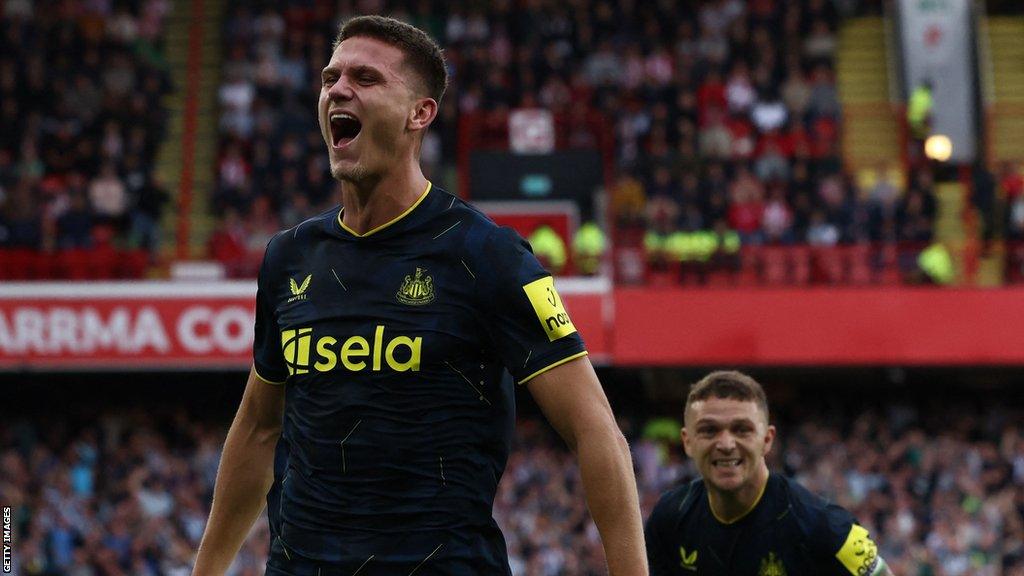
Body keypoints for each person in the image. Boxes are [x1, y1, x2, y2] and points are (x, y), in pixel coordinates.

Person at [192, 15, 646, 576]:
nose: (338, 89)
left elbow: (594, 428)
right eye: (330, 76)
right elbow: (260, 427)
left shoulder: (487, 255)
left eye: (365, 77)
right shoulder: (289, 257)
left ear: (420, 113)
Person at [645, 371, 893, 575]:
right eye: (709, 430)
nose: (726, 444)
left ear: (767, 439)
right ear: (688, 442)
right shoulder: (670, 517)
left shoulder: (824, 527)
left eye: (742, 429)